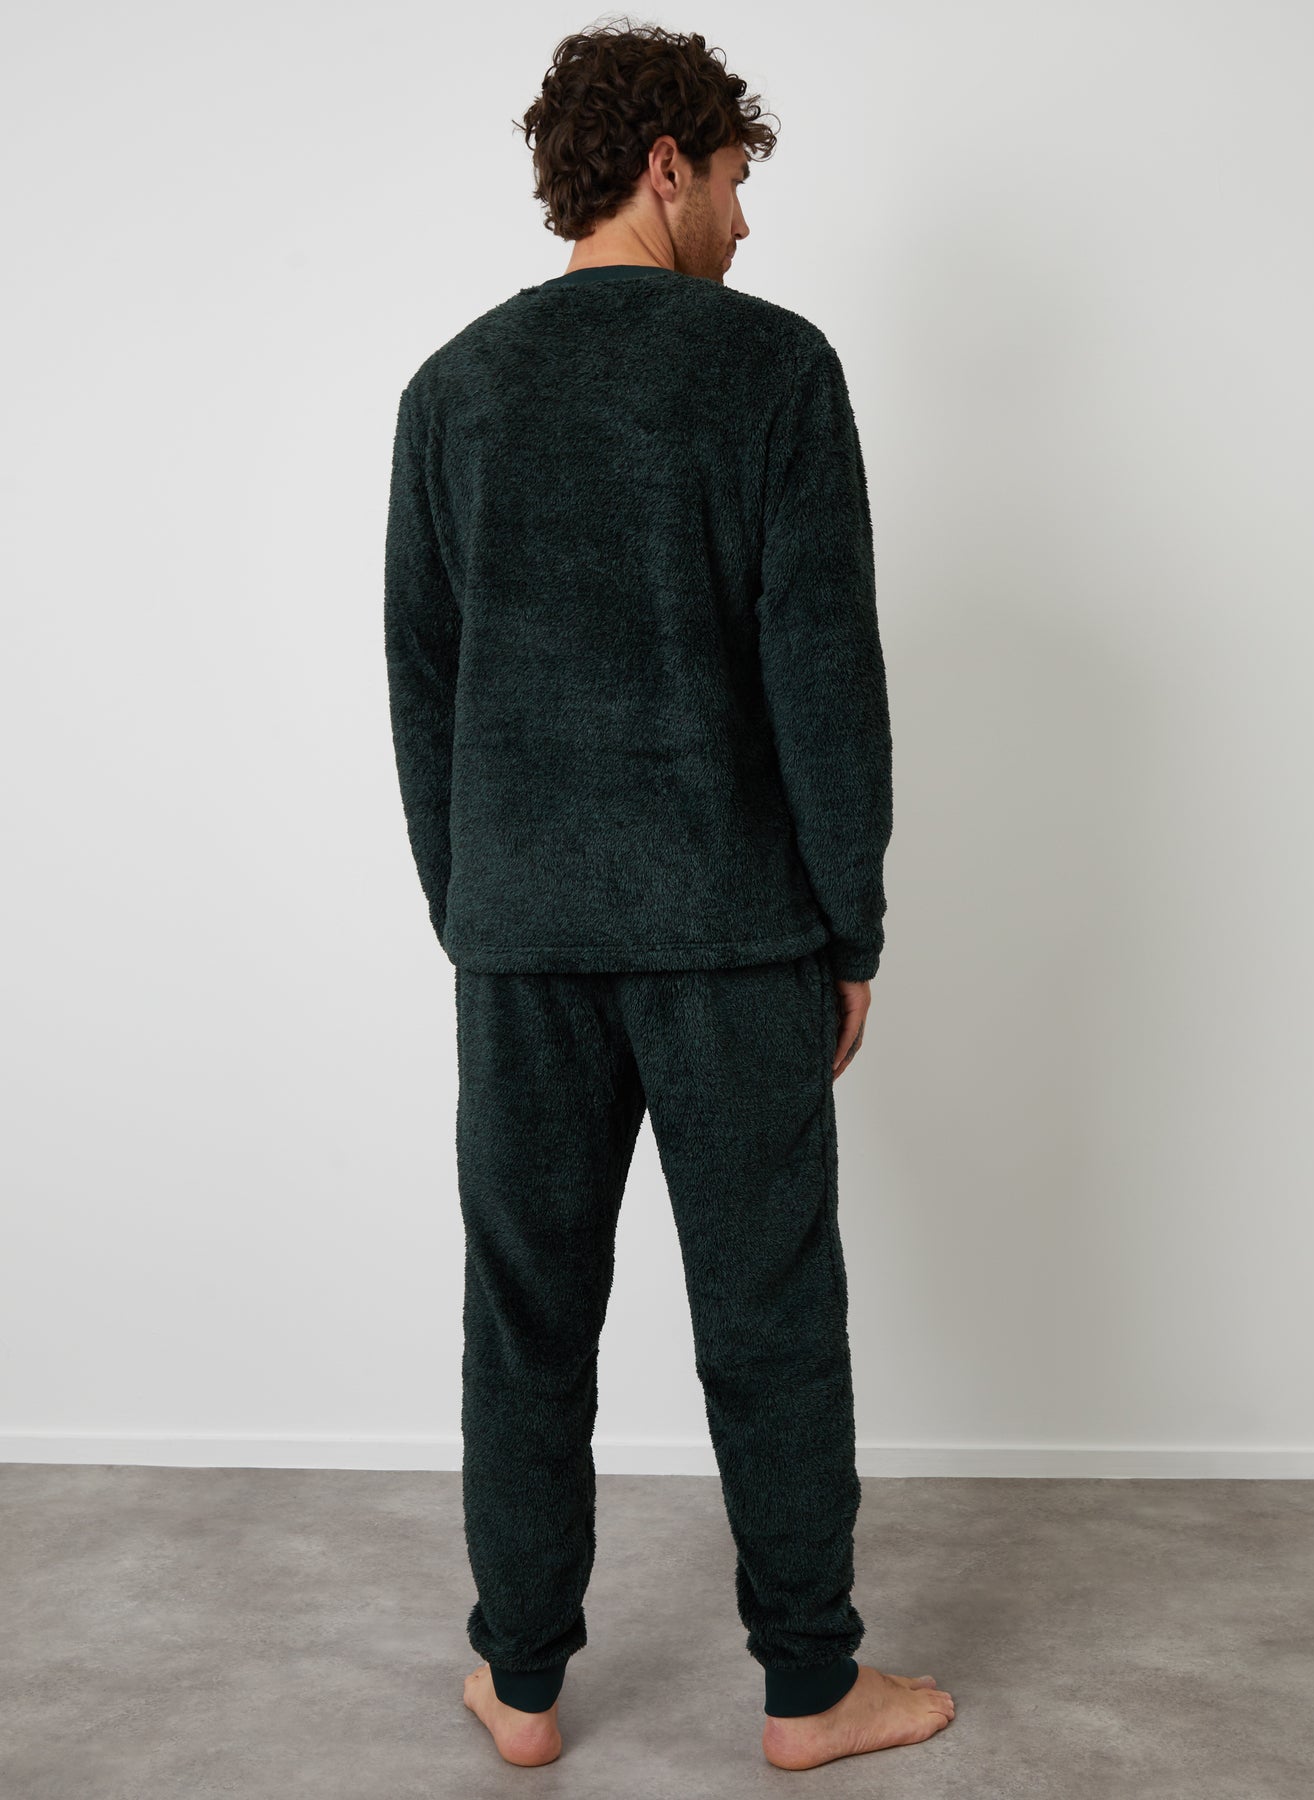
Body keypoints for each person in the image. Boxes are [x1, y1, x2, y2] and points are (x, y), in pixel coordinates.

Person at [383, 20, 954, 1774]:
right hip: (732, 941)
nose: (743, 221)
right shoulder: (771, 370)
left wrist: (476, 908)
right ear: (664, 166)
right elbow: (824, 680)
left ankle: (521, 1685)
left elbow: (423, 685)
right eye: (732, 181)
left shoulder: (453, 390)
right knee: (770, 1315)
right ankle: (809, 1693)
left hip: (522, 941)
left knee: (524, 1316)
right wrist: (847, 929)